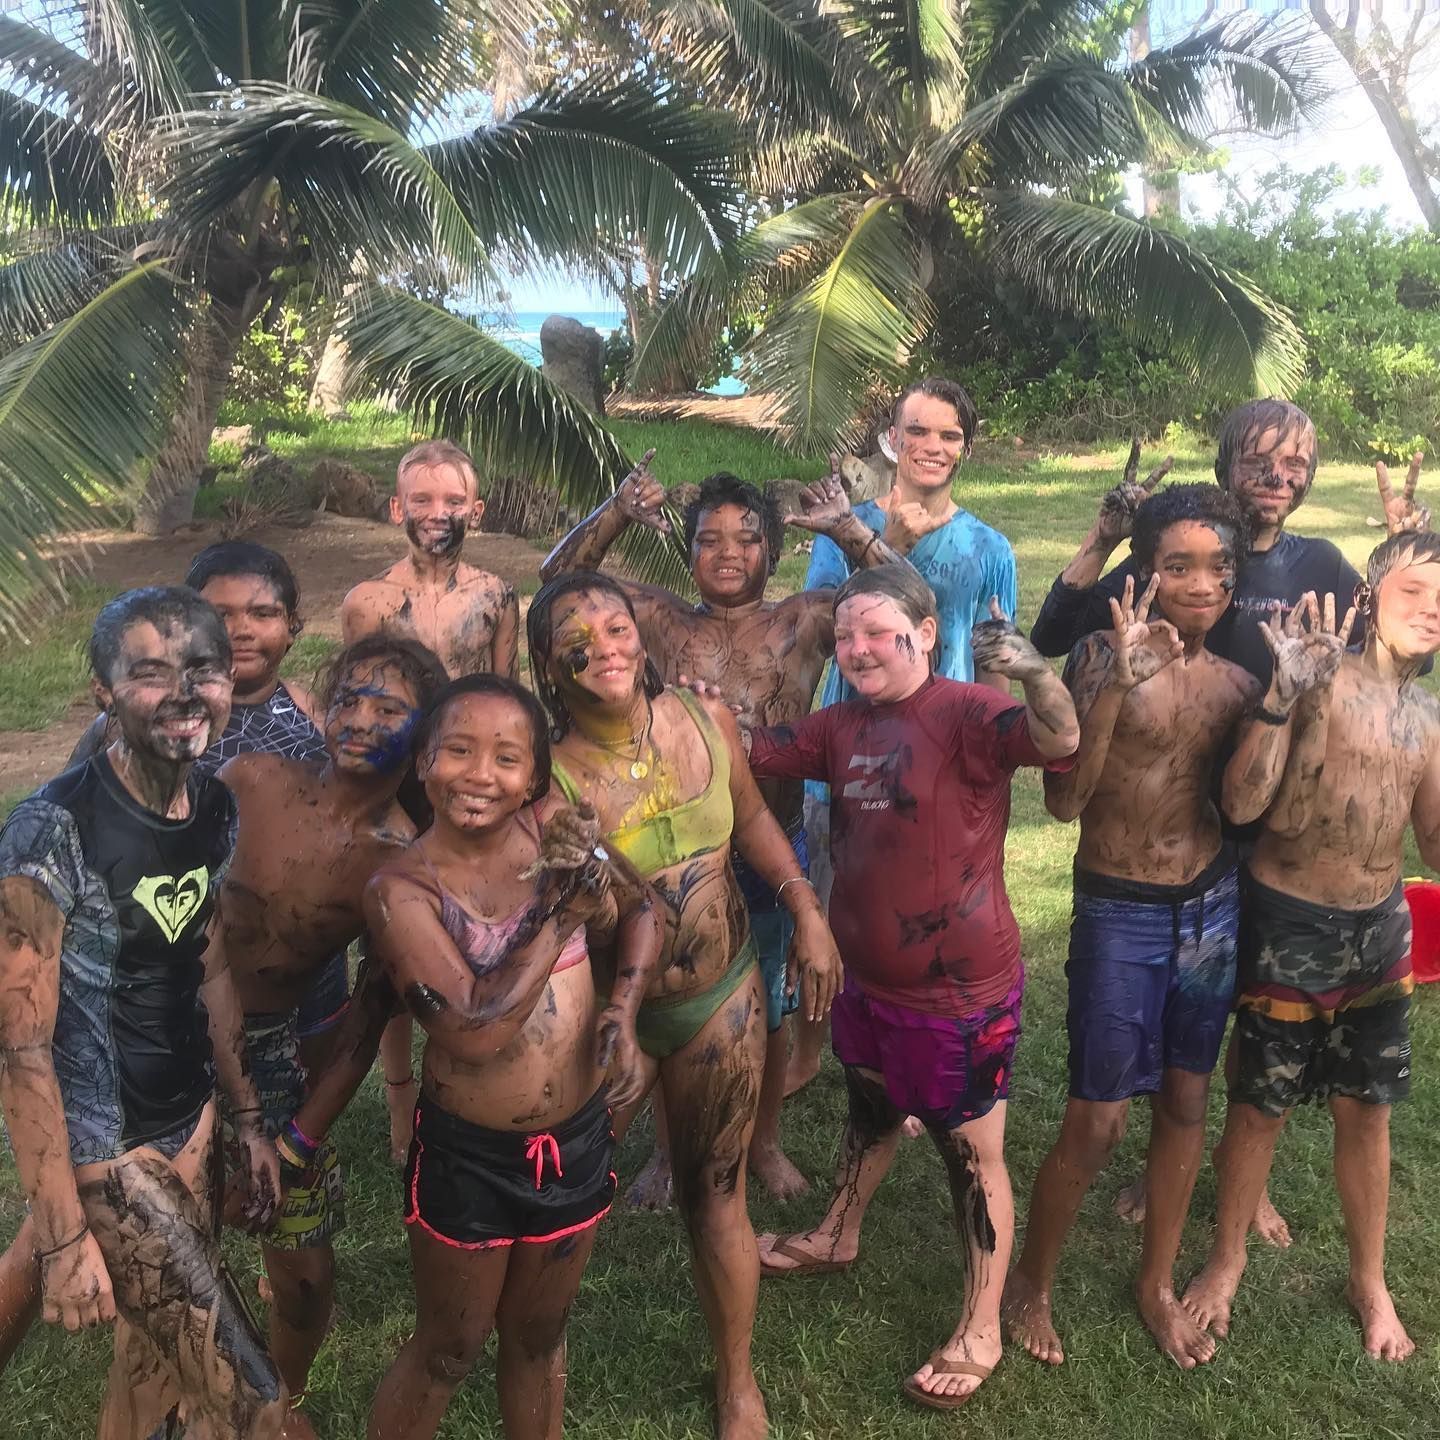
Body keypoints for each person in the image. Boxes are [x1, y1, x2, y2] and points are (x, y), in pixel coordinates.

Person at [279, 674, 663, 1439]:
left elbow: (645, 904)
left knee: (538, 1338)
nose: (481, 775)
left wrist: (621, 1008)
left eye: (507, 758)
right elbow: (472, 1029)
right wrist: (562, 911)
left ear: (535, 779)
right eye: (458, 750)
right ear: (423, 761)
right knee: (450, 1348)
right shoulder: (401, 888)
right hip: (472, 1157)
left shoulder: (551, 827)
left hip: (577, 1139)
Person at [741, 565, 1079, 1411]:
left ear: (927, 632)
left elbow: (1061, 740)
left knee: (971, 1155)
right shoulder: (840, 724)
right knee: (869, 1111)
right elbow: (755, 751)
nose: (856, 649)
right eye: (845, 636)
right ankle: (837, 1234)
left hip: (958, 994)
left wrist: (1038, 673)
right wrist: (704, 713)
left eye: (877, 631)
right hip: (865, 983)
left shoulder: (969, 715)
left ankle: (982, 1326)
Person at [526, 571, 844, 1440]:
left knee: (718, 1194)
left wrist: (807, 909)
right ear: (550, 668)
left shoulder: (707, 723)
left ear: (643, 635)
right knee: (566, 1205)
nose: (605, 648)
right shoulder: (544, 777)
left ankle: (738, 1380)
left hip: (720, 998)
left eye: (618, 627)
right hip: (600, 1017)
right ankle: (536, 1370)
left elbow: (750, 821)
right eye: (576, 639)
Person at [539, 459, 906, 1204]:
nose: (729, 553)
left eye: (747, 539)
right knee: (664, 997)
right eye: (710, 540)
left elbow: (906, 595)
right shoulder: (658, 620)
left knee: (765, 1004)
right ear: (687, 553)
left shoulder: (805, 618)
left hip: (768, 834)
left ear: (774, 551)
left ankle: (763, 1141)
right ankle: (670, 1154)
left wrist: (847, 529)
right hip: (675, 845)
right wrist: (614, 511)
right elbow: (555, 587)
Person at [0, 586, 288, 1438]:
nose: (183, 693)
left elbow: (206, 966)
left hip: (189, 1125)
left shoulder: (214, 807)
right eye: (150, 673)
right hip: (106, 1149)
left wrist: (243, 1117)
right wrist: (58, 1241)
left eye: (202, 668)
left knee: (157, 1376)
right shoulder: (53, 832)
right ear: (102, 688)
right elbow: (19, 1052)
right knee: (253, 1404)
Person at [1002, 486, 1263, 1372]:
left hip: (1210, 910)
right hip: (1119, 908)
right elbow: (1066, 800)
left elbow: (1244, 802)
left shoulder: (1239, 682)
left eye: (1217, 567)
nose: (1199, 584)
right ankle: (1031, 1278)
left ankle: (1155, 1281)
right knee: (1099, 1119)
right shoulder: (1095, 659)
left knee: (1188, 1098)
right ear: (1143, 571)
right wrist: (1117, 683)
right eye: (1177, 565)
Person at [1182, 529, 1440, 1363]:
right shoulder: (1317, 682)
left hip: (1380, 931)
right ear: (1368, 600)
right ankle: (1226, 1259)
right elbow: (1247, 806)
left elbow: (1432, 844)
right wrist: (1283, 698)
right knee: (1260, 1106)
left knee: (1369, 1113)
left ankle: (1369, 1277)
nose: (1432, 611)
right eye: (1414, 592)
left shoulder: (1428, 717)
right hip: (1291, 921)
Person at [214, 634, 447, 1421]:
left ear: (424, 735)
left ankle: (281, 1398)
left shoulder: (400, 862)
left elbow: (366, 1023)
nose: (359, 718)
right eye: (348, 698)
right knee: (141, 1237)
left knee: (307, 1280)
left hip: (271, 1053)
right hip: (161, 1035)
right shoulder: (250, 780)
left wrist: (296, 1141)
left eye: (388, 708)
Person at [794, 375, 1019, 1095]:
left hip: (941, 762)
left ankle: (911, 1050)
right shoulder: (843, 524)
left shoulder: (988, 547)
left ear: (967, 447)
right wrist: (883, 541)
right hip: (850, 753)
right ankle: (806, 1054)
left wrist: (999, 752)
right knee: (833, 903)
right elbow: (818, 625)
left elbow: (993, 655)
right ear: (892, 438)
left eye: (948, 434)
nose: (931, 446)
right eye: (916, 430)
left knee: (925, 908)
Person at [341, 438, 520, 1163]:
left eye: (452, 501)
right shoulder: (369, 601)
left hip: (472, 781)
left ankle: (478, 1065)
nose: (437, 514)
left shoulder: (496, 595)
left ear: (476, 509)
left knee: (477, 923)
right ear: (397, 509)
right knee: (388, 943)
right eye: (422, 500)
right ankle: (399, 1095)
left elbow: (504, 693)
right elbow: (356, 704)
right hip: (397, 785)